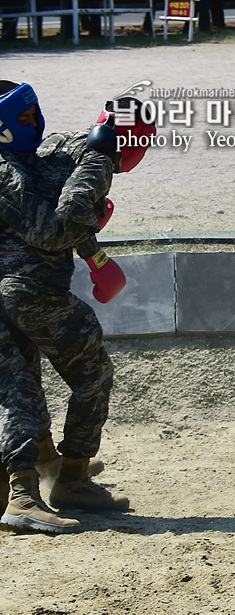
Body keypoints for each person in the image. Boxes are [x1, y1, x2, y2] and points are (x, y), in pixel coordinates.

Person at [0, 82, 130, 534]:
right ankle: (49, 486)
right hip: (23, 290)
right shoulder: (3, 171)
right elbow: (54, 232)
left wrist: (91, 240)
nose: (35, 122)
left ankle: (40, 479)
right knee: (80, 374)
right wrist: (97, 161)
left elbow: (58, 197)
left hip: (15, 290)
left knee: (20, 386)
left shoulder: (19, 162)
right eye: (25, 117)